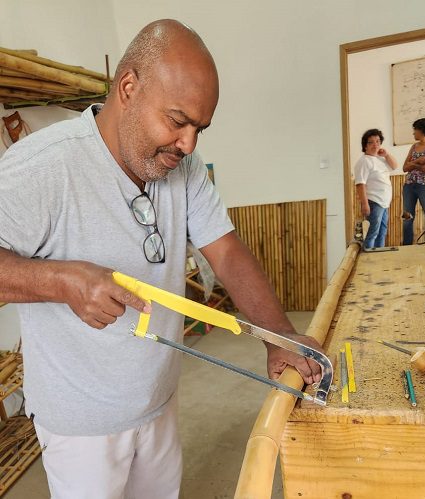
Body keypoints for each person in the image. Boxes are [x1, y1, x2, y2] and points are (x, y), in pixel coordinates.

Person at [0, 19, 324, 499]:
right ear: (127, 87)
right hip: (83, 428)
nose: (190, 144)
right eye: (177, 122)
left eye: (200, 128)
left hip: (157, 401)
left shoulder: (183, 167)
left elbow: (226, 250)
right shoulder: (43, 168)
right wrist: (61, 280)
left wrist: (277, 338)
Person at [353, 129, 398, 249]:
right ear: (365, 145)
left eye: (378, 142)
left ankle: (379, 257)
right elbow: (360, 184)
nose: (375, 145)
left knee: (382, 233)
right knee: (372, 233)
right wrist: (364, 204)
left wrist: (386, 154)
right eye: (371, 142)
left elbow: (394, 166)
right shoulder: (364, 161)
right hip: (374, 202)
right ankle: (368, 259)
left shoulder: (380, 159)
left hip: (384, 203)